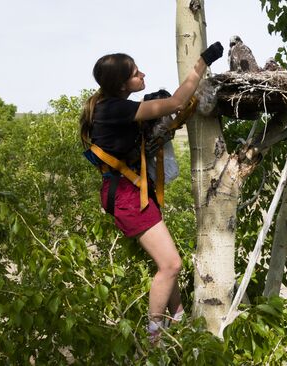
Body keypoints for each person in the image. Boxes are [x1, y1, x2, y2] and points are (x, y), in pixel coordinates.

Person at [79, 42, 224, 343]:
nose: (142, 74)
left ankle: (179, 319)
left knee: (167, 262)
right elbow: (175, 103)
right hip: (128, 196)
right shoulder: (115, 109)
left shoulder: (111, 106)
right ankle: (154, 337)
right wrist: (201, 63)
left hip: (131, 191)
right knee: (171, 265)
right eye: (135, 73)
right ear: (121, 85)